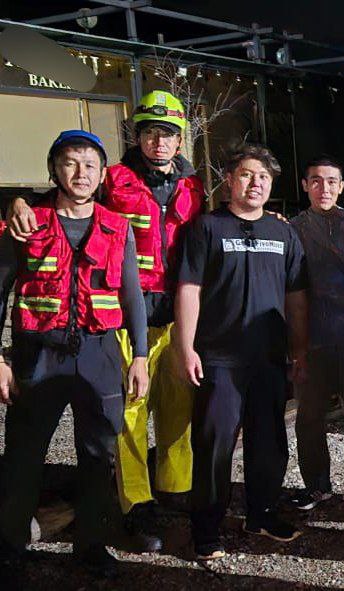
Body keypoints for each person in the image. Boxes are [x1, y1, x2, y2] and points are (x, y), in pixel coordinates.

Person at [6, 90, 204, 537]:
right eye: (150, 132)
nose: (159, 142)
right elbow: (62, 199)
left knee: (179, 407)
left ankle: (176, 490)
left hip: (178, 314)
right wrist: (15, 201)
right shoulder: (110, 178)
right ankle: (136, 502)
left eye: (168, 133)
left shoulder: (194, 187)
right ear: (137, 136)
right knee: (130, 413)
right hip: (122, 316)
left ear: (179, 140)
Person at [0, 130, 153, 577]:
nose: (81, 173)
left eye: (90, 165)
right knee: (24, 454)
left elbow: (132, 296)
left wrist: (140, 356)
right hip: (38, 354)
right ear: (54, 170)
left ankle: (91, 545)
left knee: (98, 455)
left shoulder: (117, 226)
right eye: (70, 162)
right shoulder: (26, 223)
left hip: (99, 354)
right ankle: (10, 544)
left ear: (102, 174)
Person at [175, 143, 308, 560]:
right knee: (214, 445)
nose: (256, 183)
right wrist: (186, 347)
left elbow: (296, 296)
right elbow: (189, 289)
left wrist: (300, 350)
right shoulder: (207, 228)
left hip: (269, 357)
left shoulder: (283, 233)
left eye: (264, 177)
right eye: (247, 175)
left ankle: (261, 514)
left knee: (269, 441)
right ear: (230, 180)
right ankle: (206, 530)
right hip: (219, 358)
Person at [288, 156, 344, 515]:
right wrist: (295, 345)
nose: (323, 188)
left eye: (330, 181)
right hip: (312, 334)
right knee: (309, 415)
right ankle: (316, 485)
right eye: (316, 181)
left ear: (341, 186)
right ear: (305, 185)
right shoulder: (293, 227)